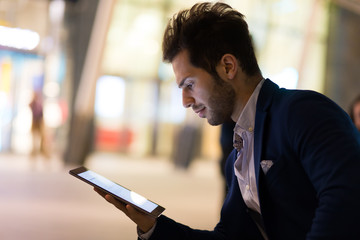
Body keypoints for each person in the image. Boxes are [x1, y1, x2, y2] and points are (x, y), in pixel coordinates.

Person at [94, 2, 360, 239]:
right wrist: (154, 227)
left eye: (189, 84)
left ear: (228, 66)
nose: (185, 101)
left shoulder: (302, 111)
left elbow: (345, 196)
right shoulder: (238, 156)